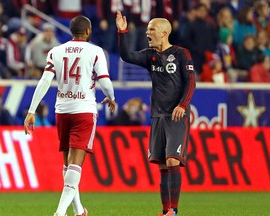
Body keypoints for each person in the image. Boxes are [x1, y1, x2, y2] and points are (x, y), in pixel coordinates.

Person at [24, 15, 116, 216]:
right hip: (84, 111)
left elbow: (45, 81)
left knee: (67, 165)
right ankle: (59, 212)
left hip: (62, 111)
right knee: (75, 165)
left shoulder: (56, 51)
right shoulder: (95, 51)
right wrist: (111, 97)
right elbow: (105, 82)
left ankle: (78, 210)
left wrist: (31, 111)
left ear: (70, 31)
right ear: (88, 31)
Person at [116, 10, 196, 216]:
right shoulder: (150, 56)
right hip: (157, 117)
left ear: (163, 33)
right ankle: (165, 210)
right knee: (162, 165)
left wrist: (182, 106)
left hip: (176, 116)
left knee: (172, 160)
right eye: (148, 29)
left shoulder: (181, 54)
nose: (147, 33)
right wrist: (122, 32)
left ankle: (175, 210)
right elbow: (126, 55)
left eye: (152, 29)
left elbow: (191, 82)